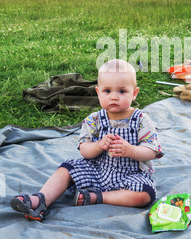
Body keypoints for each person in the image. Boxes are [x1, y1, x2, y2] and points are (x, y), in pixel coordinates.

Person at [10, 59, 163, 221]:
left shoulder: (141, 120)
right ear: (98, 92)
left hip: (130, 175)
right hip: (97, 170)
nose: (114, 97)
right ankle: (40, 200)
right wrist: (98, 145)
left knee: (146, 194)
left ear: (134, 93)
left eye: (122, 91)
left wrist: (130, 150)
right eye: (107, 91)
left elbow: (152, 150)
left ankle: (97, 197)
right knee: (66, 168)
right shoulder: (94, 120)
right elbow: (85, 151)